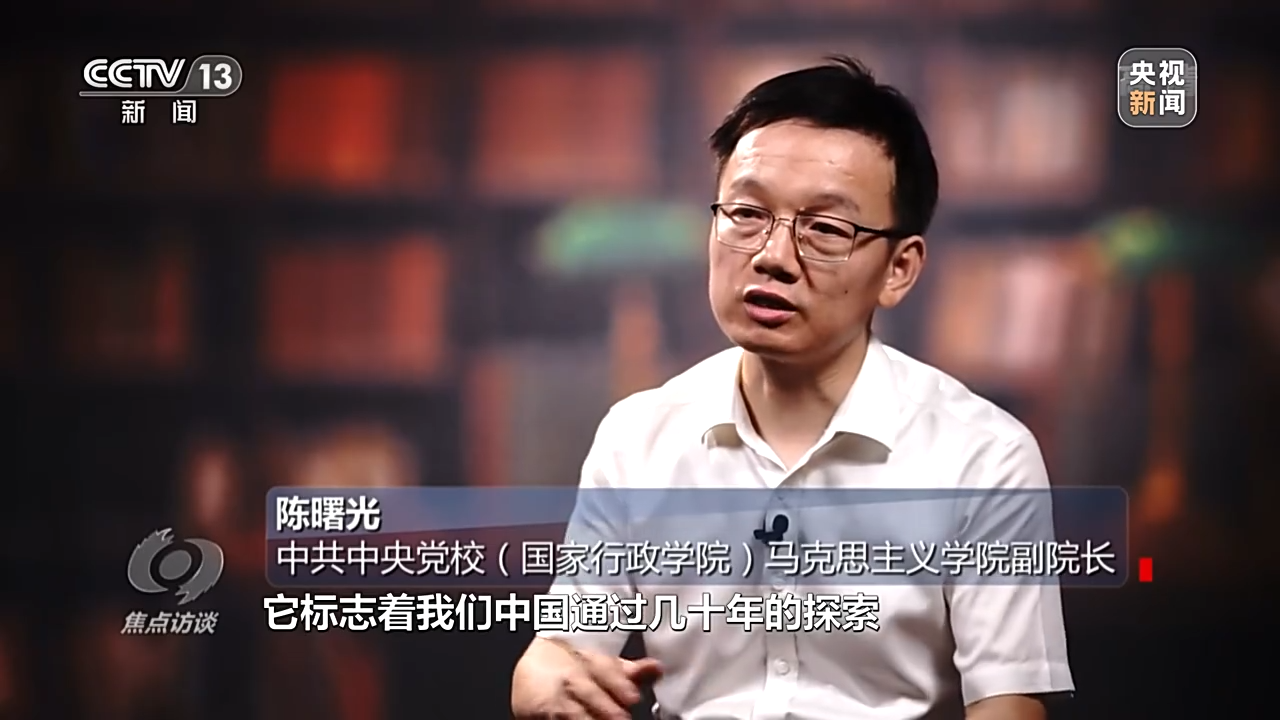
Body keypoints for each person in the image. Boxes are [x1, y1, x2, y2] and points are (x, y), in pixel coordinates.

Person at [511, 56, 1073, 720]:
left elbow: (1010, 703)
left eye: (826, 229)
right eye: (747, 213)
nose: (773, 256)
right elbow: (561, 653)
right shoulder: (638, 436)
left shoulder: (983, 455)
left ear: (899, 269)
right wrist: (543, 676)